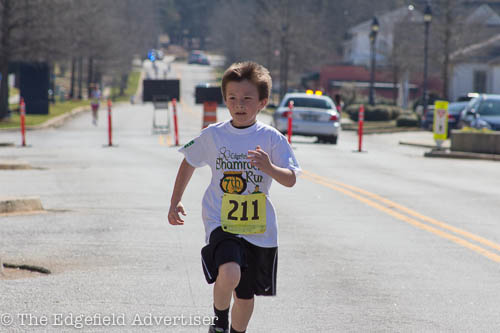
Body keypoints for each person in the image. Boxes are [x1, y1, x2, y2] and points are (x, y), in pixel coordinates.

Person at [168, 61, 301, 333]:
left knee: (245, 295)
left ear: (262, 102)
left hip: (257, 227)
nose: (239, 105)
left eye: (247, 99)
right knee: (229, 272)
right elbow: (189, 161)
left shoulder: (272, 138)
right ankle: (219, 321)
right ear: (225, 100)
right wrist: (175, 201)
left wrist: (269, 167)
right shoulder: (214, 135)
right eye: (232, 98)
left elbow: (290, 179)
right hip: (221, 220)